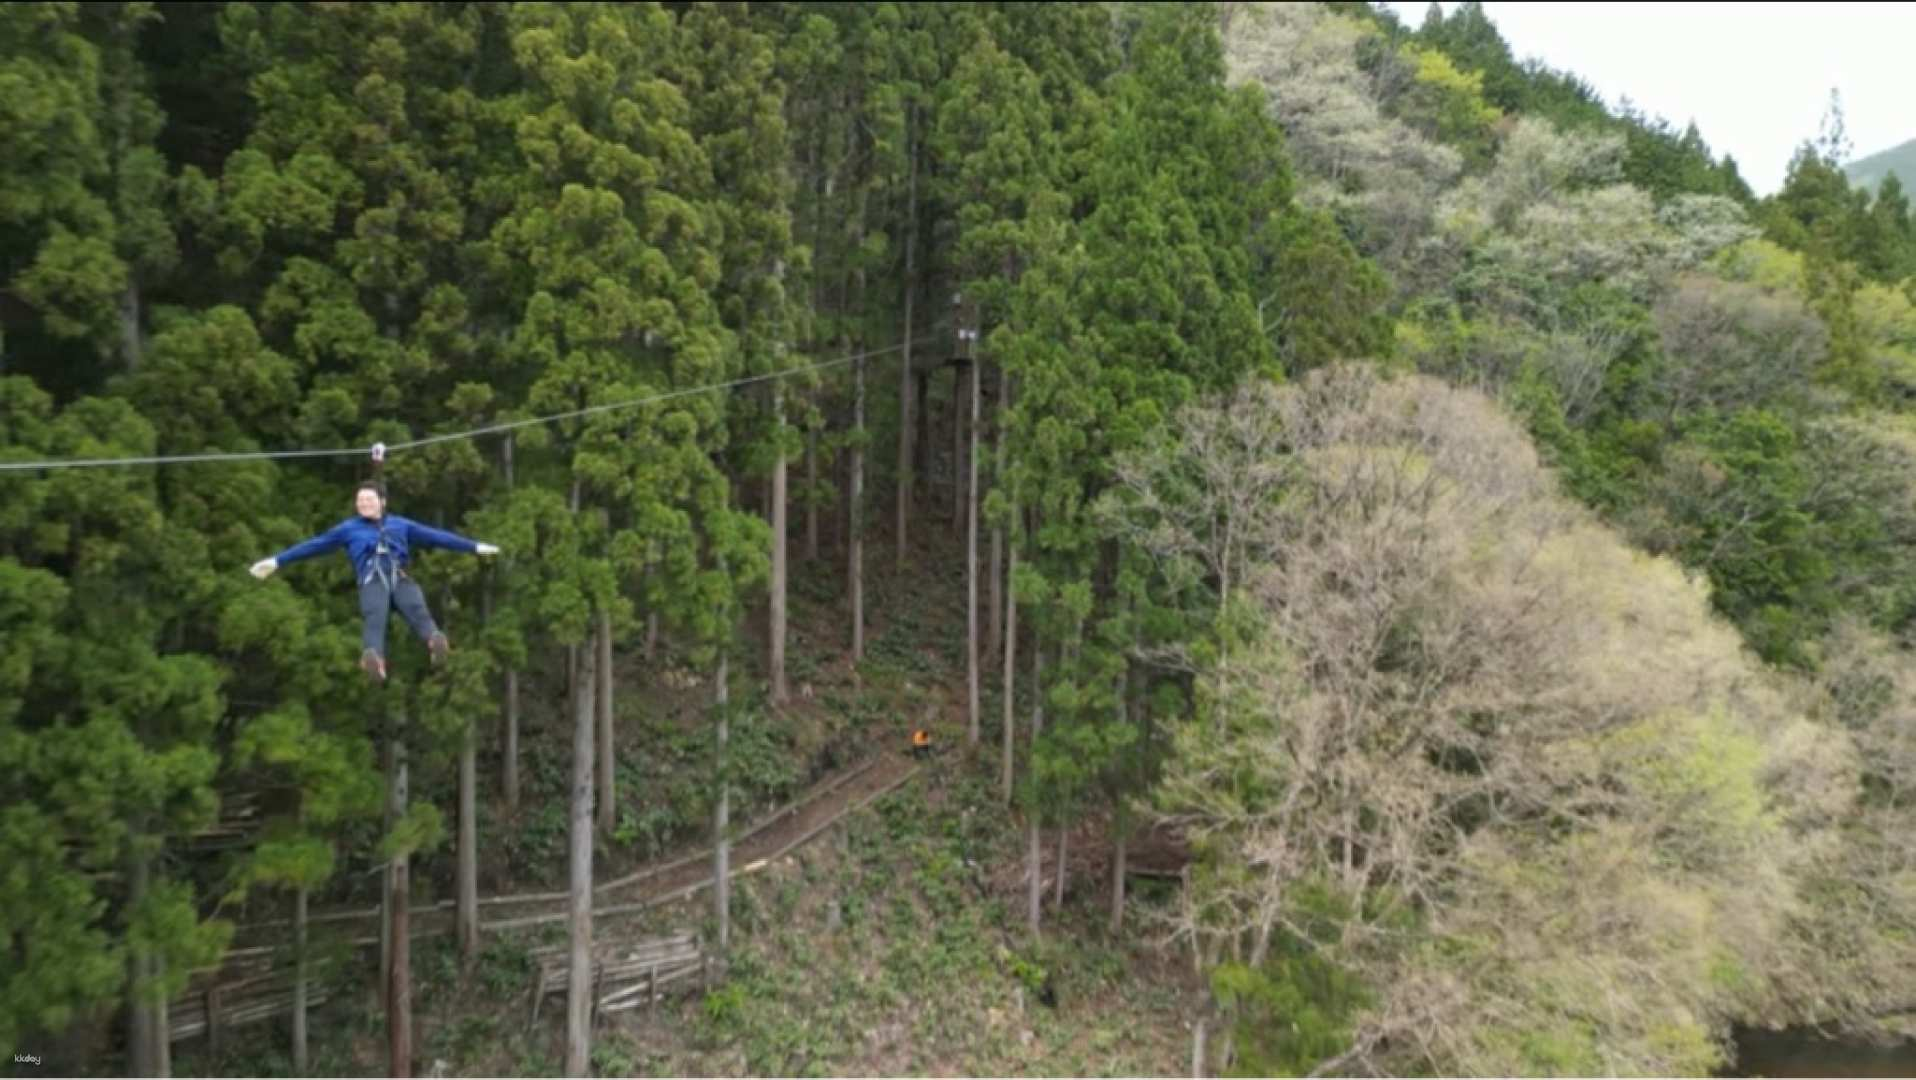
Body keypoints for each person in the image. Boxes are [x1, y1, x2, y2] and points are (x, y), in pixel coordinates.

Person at [249, 479, 500, 683]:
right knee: (375, 618)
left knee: (417, 610)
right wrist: (277, 561)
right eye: (360, 501)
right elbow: (314, 546)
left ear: (382, 502)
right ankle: (374, 658)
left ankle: (434, 641)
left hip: (399, 576)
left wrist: (474, 547)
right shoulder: (348, 529)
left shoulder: (400, 525)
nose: (363, 504)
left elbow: (438, 537)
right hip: (372, 579)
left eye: (369, 500)